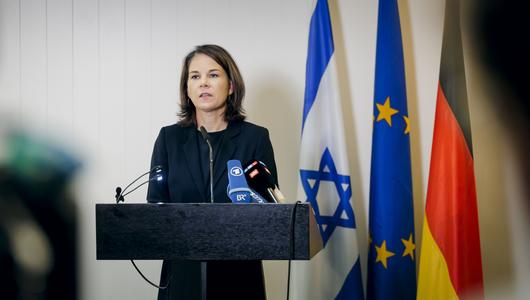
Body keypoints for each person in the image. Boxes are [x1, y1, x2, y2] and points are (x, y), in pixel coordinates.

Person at [147, 44, 278, 300]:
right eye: (195, 76)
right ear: (187, 88)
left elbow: (268, 210)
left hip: (239, 276)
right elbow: (155, 206)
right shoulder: (169, 139)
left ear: (230, 86)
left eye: (213, 75)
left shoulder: (255, 138)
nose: (203, 83)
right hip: (183, 272)